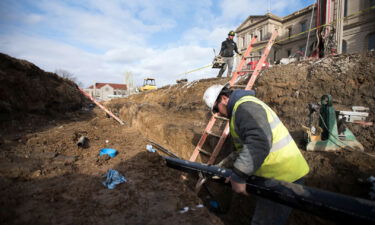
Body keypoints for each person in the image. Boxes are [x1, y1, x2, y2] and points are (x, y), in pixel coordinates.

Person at [203, 84, 310, 225]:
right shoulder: (241, 109)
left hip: (283, 177)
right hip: (278, 175)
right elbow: (246, 147)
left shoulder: (245, 108)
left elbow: (259, 142)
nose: (218, 113)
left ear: (224, 98)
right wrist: (224, 166)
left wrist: (239, 175)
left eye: (216, 109)